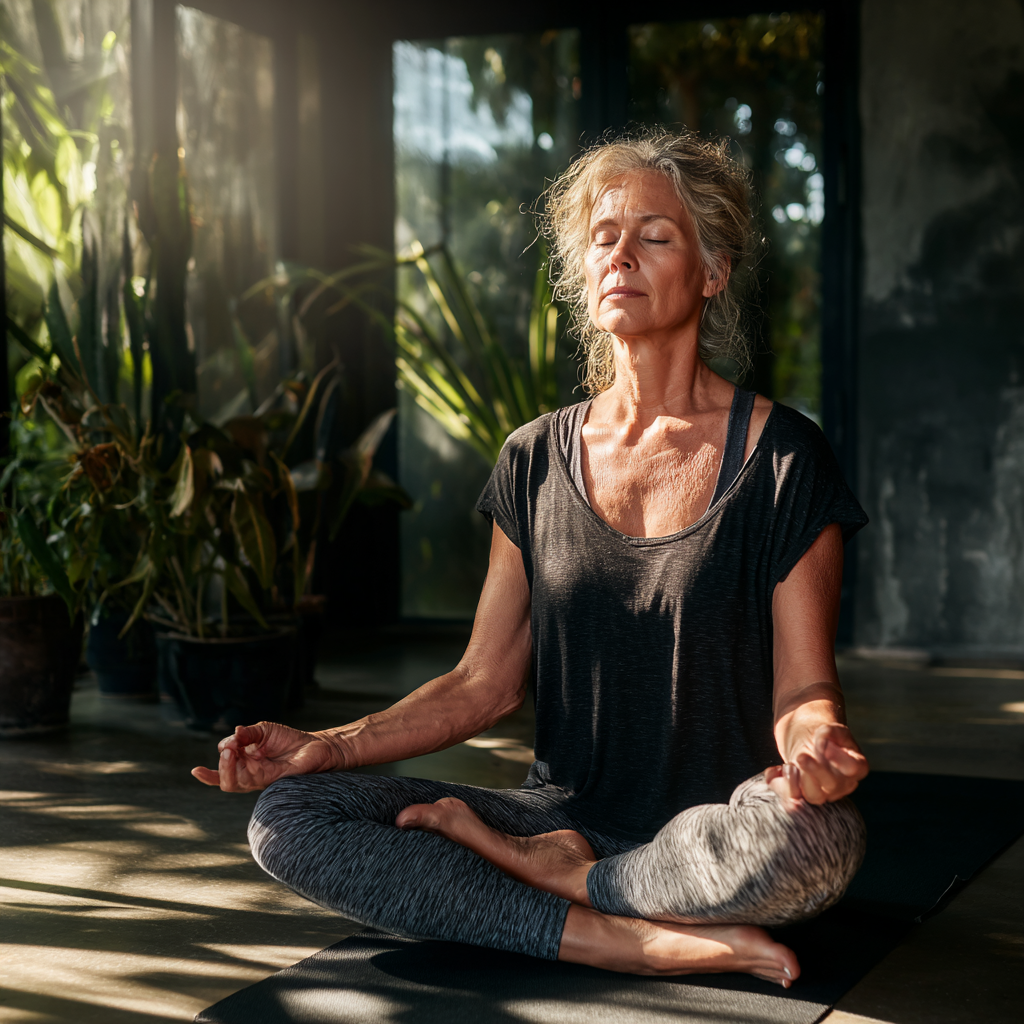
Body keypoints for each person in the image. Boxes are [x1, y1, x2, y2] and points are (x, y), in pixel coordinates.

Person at [192, 130, 870, 988]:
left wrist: (818, 745)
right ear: (583, 274)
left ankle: (568, 883)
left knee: (818, 840)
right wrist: (325, 747)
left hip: (713, 828)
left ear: (712, 271)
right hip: (558, 812)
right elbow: (485, 682)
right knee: (291, 817)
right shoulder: (534, 458)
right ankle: (613, 934)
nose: (620, 253)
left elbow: (803, 690)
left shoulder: (782, 458)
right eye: (603, 236)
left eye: (654, 236)